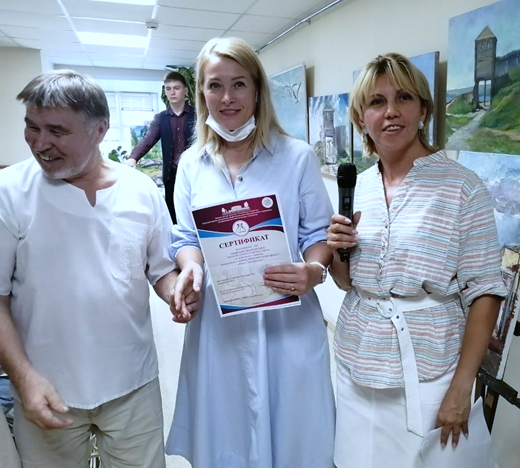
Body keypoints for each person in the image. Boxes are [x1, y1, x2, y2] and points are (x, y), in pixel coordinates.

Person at [0, 70, 198, 468]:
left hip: (132, 382)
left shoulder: (140, 190)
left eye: (57, 131)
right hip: (45, 386)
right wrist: (24, 379)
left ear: (100, 130)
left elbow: (160, 269)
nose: (40, 143)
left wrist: (177, 292)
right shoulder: (10, 192)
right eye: (32, 127)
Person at [327, 53, 508, 467]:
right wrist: (339, 251)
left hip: (428, 370)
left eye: (404, 98)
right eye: (376, 102)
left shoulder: (462, 187)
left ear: (423, 110)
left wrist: (462, 386)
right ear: (361, 118)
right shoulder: (359, 186)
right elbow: (345, 281)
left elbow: (485, 291)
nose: (390, 111)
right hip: (357, 363)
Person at [166, 37, 336, 467]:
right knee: (227, 431)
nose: (227, 97)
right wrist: (190, 269)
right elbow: (186, 238)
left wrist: (313, 270)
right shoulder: (191, 164)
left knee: (293, 433)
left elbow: (318, 234)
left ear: (257, 90)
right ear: (201, 93)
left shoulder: (297, 157)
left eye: (239, 84)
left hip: (286, 319)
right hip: (218, 322)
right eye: (215, 85)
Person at [126, 71, 197, 224]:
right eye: (168, 88)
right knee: (173, 214)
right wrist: (133, 158)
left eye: (176, 88)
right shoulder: (161, 118)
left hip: (195, 173)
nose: (172, 92)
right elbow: (148, 139)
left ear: (185, 91)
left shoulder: (197, 115)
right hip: (171, 175)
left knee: (196, 213)